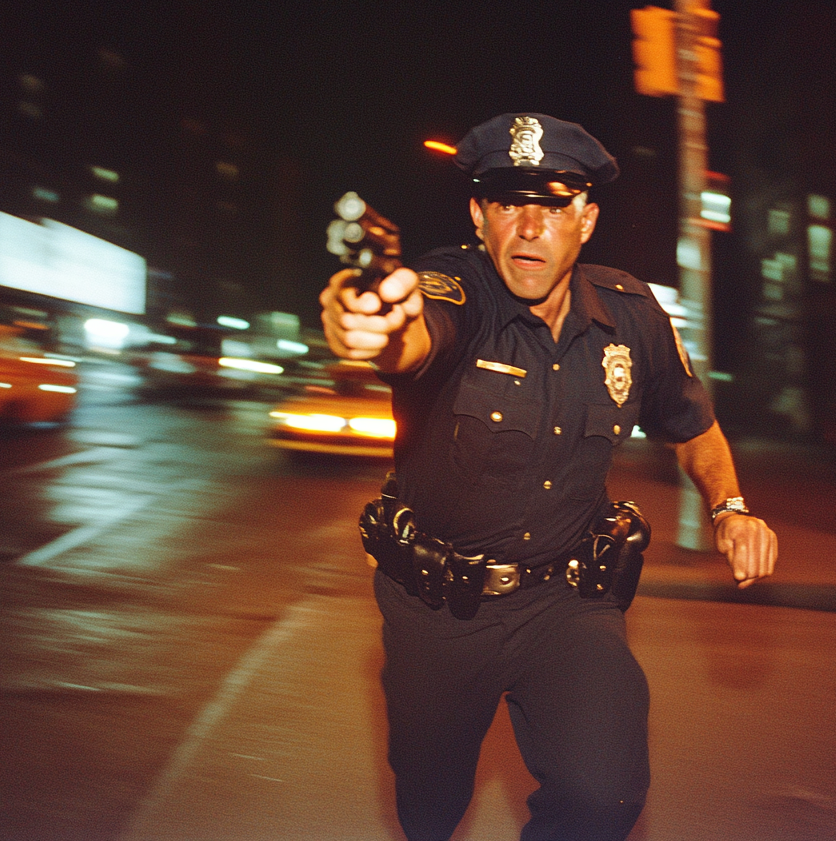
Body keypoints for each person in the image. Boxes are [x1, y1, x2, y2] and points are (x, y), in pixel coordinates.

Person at [320, 113, 778, 841]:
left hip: (567, 603)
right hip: (438, 610)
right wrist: (373, 327)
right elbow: (412, 337)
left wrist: (730, 507)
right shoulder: (454, 290)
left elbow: (695, 428)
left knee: (606, 797)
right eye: (507, 203)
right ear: (479, 215)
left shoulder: (632, 316)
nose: (529, 228)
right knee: (430, 809)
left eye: (554, 204)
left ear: (586, 219)